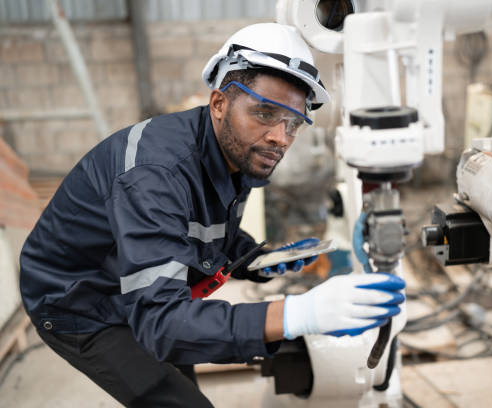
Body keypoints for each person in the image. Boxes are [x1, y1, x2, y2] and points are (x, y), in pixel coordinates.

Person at [19, 23, 406, 407]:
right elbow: (163, 323)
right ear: (219, 103)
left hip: (133, 283)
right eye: (265, 113)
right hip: (79, 299)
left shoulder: (230, 152)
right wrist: (296, 314)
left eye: (292, 123)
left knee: (180, 372)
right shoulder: (156, 176)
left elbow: (200, 228)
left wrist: (254, 260)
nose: (281, 137)